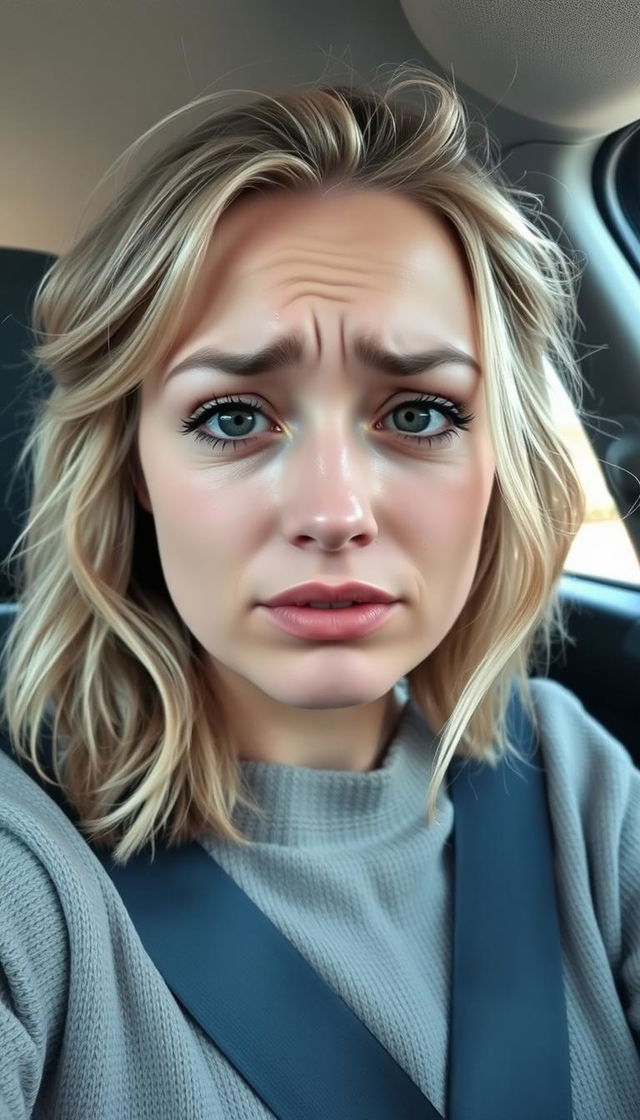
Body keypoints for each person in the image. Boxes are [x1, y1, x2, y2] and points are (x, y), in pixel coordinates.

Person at [0, 63, 638, 1119]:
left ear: (502, 462)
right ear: (129, 469)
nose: (335, 510)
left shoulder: (568, 777)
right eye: (234, 417)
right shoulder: (29, 868)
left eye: (420, 413)